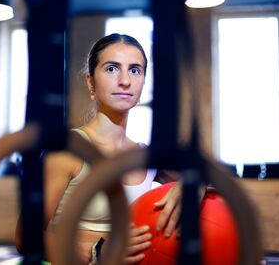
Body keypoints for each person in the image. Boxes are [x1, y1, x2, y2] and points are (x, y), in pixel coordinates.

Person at [16, 33, 182, 264]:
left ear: (143, 80)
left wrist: (194, 187)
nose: (125, 80)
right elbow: (25, 236)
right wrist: (97, 252)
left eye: (135, 70)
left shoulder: (146, 157)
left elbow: (207, 180)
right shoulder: (68, 151)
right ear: (90, 81)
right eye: (112, 69)